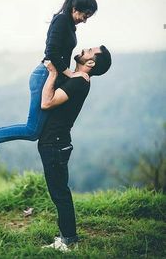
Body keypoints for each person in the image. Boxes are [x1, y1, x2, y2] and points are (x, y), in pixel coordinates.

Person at [0, 0, 98, 154]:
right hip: (44, 75)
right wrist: (71, 74)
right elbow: (51, 53)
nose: (85, 20)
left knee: (41, 128)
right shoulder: (62, 20)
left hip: (52, 76)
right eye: (85, 16)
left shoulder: (69, 24)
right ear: (75, 9)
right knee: (32, 130)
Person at [38, 45, 112, 252]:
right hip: (57, 142)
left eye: (89, 50)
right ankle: (67, 237)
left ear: (91, 63)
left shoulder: (79, 82)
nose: (84, 48)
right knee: (60, 192)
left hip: (55, 143)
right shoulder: (78, 79)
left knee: (60, 193)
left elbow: (47, 102)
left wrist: (53, 72)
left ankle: (69, 241)